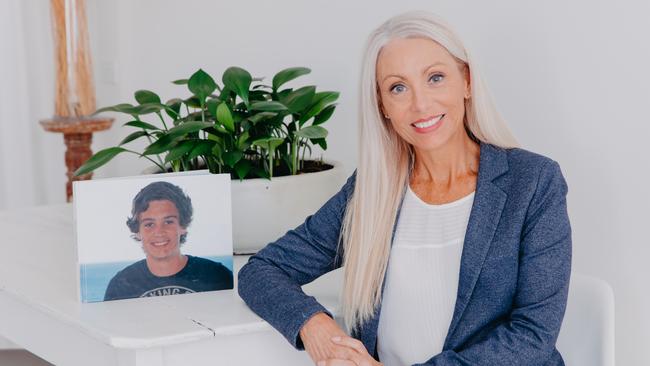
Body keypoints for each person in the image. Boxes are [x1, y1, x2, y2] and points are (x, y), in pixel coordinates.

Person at [238, 11, 571, 366]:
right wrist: (317, 327)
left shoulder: (533, 182)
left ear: (467, 82)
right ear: (382, 105)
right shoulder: (372, 191)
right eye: (398, 87)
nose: (421, 104)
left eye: (436, 78)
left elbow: (532, 335)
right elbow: (262, 270)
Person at [104, 181, 233, 301]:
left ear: (183, 226)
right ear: (138, 232)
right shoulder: (120, 286)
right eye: (149, 224)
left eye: (168, 222)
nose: (159, 232)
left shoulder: (217, 276)